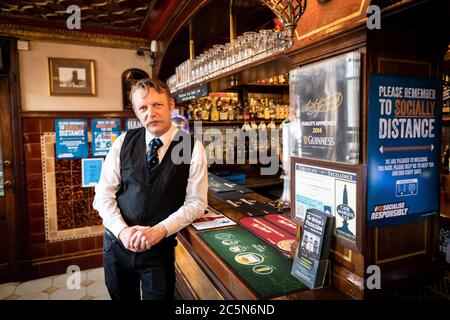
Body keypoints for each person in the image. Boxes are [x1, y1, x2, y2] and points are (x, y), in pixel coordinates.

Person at [93, 78, 208, 300]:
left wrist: (160, 231)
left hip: (158, 250)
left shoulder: (191, 147)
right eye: (143, 108)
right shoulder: (123, 142)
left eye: (157, 105)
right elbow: (103, 196)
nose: (151, 113)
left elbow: (197, 202)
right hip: (117, 246)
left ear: (171, 105)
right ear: (136, 112)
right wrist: (123, 231)